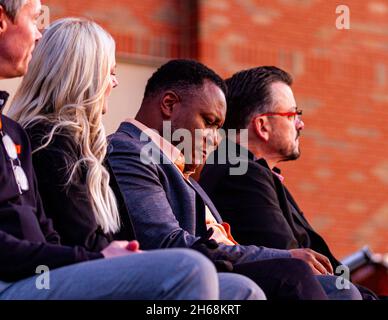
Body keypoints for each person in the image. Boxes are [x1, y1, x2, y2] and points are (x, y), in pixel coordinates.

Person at [0, 2, 263, 300]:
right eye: (109, 71)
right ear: (83, 76)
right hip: (36, 278)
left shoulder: (20, 135)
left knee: (242, 291)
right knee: (190, 269)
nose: (115, 81)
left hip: (61, 269)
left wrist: (118, 253)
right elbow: (78, 240)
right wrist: (105, 256)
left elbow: (48, 233)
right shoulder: (49, 142)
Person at [106, 59, 359, 300]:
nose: (216, 139)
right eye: (209, 122)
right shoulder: (131, 150)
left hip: (216, 271)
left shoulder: (185, 172)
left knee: (337, 288)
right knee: (294, 276)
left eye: (219, 128)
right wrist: (285, 256)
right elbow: (165, 241)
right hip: (191, 275)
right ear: (170, 104)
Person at [199, 66, 375, 300]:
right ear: (263, 126)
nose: (300, 124)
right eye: (292, 115)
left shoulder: (253, 172)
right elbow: (298, 263)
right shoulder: (240, 174)